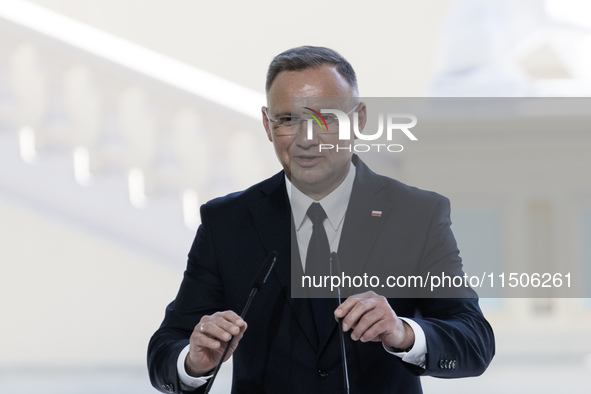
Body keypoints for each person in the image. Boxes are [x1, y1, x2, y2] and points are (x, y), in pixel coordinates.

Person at [148, 46, 495, 394]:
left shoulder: (417, 215)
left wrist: (403, 333)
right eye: (288, 120)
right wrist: (192, 363)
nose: (306, 139)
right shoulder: (226, 221)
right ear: (268, 126)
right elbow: (166, 349)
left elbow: (474, 342)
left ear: (358, 121)